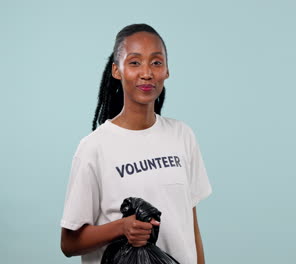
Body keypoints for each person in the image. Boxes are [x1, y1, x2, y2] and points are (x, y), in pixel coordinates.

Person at [60, 24, 212, 264]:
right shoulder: (94, 147)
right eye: (134, 62)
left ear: (167, 71)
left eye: (156, 62)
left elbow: (190, 227)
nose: (147, 73)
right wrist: (122, 227)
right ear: (116, 70)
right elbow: (69, 243)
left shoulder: (182, 135)